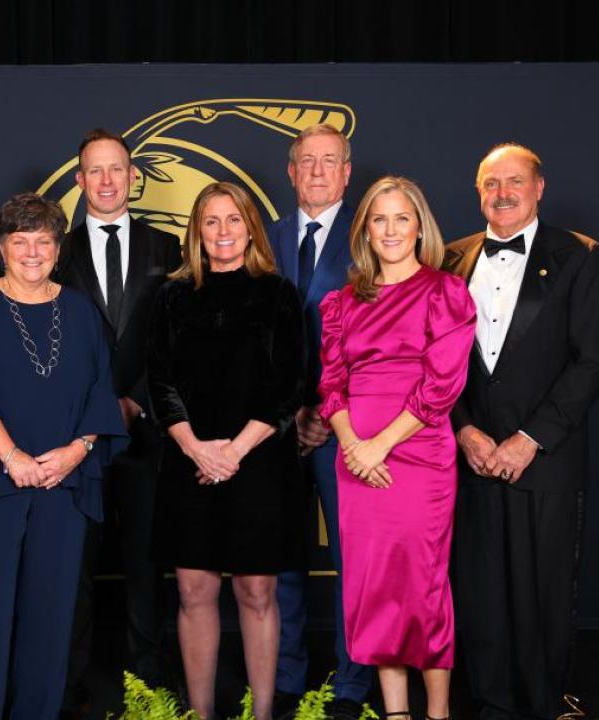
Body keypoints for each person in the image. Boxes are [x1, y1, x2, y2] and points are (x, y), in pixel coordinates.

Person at [0, 192, 127, 719]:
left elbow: (99, 393)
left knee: (52, 615)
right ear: (2, 248)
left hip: (62, 484)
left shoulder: (81, 311)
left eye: (44, 241)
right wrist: (13, 455)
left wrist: (74, 452)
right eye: (21, 241)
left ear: (59, 249)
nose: (33, 252)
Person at [444, 144, 599, 720]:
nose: (503, 193)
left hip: (545, 458)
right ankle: (490, 704)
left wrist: (528, 440)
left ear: (539, 187)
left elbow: (590, 362)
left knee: (542, 593)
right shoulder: (449, 259)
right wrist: (466, 431)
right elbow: (439, 364)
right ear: (478, 191)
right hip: (472, 458)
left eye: (515, 182)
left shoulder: (581, 256)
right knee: (481, 591)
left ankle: (544, 704)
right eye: (491, 183)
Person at [318, 177, 476, 720]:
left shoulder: (445, 292)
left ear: (419, 226)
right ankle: (396, 713)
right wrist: (352, 444)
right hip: (355, 458)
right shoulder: (342, 302)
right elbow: (331, 384)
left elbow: (443, 384)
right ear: (365, 228)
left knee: (424, 585)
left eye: (401, 218)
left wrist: (379, 445)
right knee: (374, 585)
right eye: (379, 219)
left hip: (418, 455)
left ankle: (437, 712)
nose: (390, 230)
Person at [149, 181, 307, 720]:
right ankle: (201, 713)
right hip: (189, 462)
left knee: (257, 593)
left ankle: (261, 713)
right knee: (194, 592)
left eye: (233, 220)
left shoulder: (279, 294)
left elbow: (289, 387)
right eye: (211, 221)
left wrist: (233, 453)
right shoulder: (171, 296)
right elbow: (160, 383)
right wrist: (196, 448)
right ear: (196, 230)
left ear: (250, 227)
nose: (222, 232)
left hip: (258, 464)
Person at [54, 129, 182, 714]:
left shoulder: (169, 249)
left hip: (149, 431)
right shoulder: (56, 251)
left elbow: (176, 340)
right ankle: (69, 681)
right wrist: (100, 408)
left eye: (116, 170)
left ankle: (148, 682)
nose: (106, 181)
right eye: (94, 172)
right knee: (72, 566)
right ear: (79, 181)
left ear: (133, 177)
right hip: (76, 433)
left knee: (145, 564)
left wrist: (135, 400)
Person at [268, 123, 373, 719]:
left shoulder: (371, 235)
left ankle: (352, 683)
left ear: (346, 171)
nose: (316, 171)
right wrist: (292, 411)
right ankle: (287, 676)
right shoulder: (268, 236)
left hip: (349, 431)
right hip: (280, 430)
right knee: (282, 556)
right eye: (306, 161)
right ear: (290, 171)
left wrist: (334, 415)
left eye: (328, 161)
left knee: (353, 559)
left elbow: (386, 341)